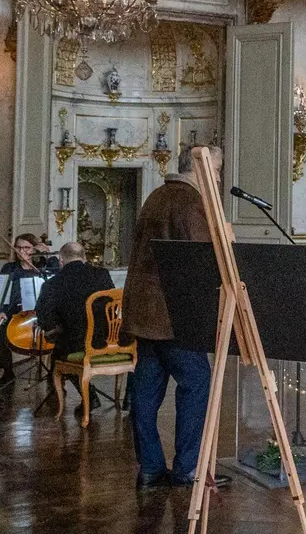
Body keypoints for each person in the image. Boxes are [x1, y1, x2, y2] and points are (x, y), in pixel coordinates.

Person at [123, 147, 223, 490]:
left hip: (144, 312)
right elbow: (202, 260)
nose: (218, 179)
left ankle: (150, 469)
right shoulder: (192, 202)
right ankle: (188, 468)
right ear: (198, 167)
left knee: (146, 393)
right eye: (216, 169)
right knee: (197, 384)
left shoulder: (155, 197)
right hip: (174, 316)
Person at [34, 240, 116, 360]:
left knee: (57, 347)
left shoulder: (52, 283)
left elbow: (45, 319)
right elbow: (112, 303)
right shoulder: (103, 274)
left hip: (74, 347)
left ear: (61, 260)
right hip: (106, 342)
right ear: (84, 258)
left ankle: (62, 370)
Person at [0, 233, 46, 388]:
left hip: (39, 313)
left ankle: (55, 375)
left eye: (27, 248)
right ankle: (7, 371)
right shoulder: (9, 268)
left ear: (34, 249)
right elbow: (0, 293)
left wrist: (47, 254)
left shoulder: (44, 267)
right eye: (19, 247)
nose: (22, 251)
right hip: (17, 313)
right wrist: (0, 312)